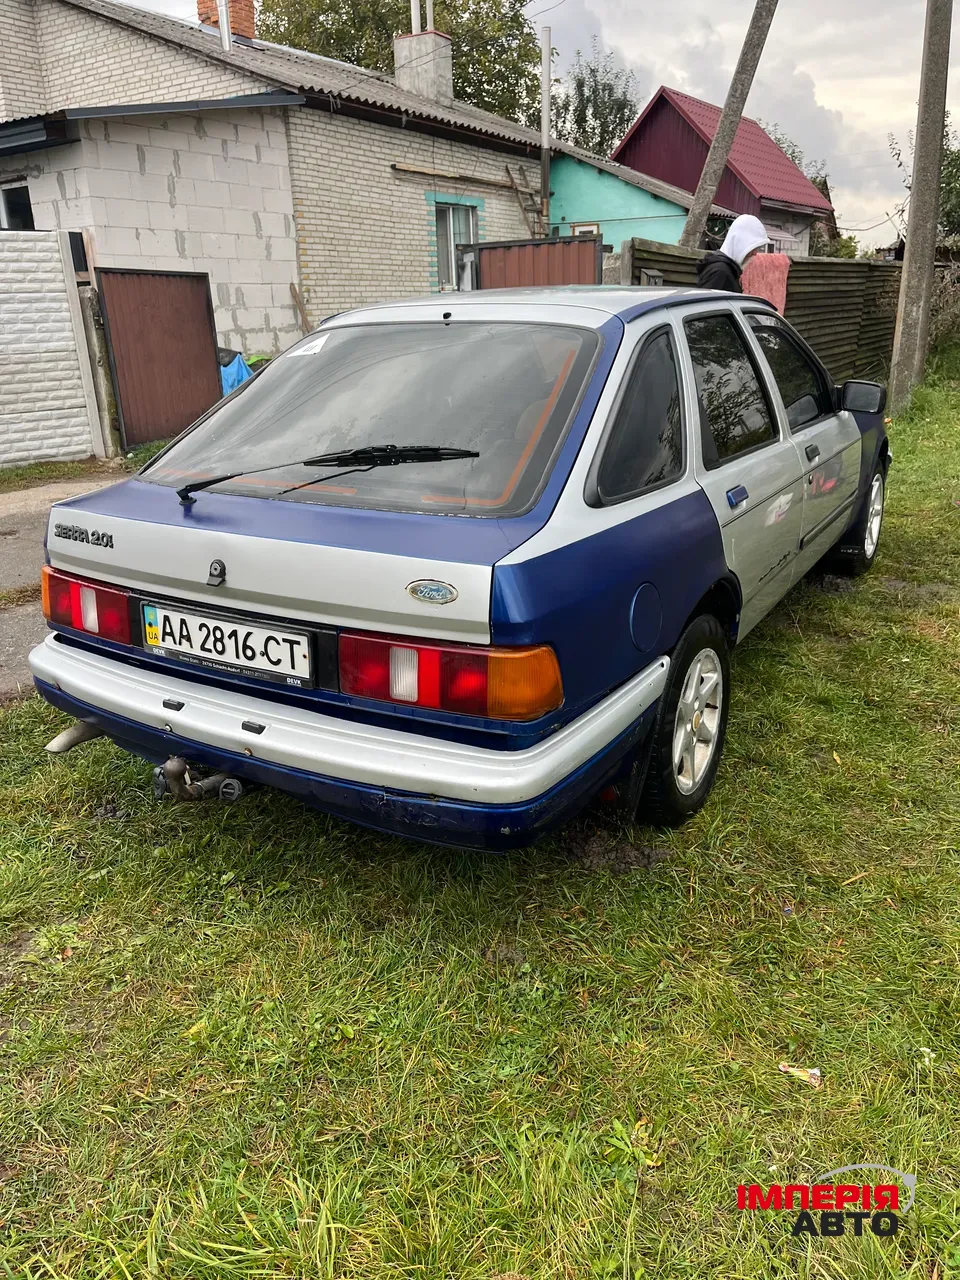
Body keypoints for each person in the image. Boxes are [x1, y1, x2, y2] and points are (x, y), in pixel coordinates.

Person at [695, 214, 770, 293]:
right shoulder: (720, 272)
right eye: (752, 247)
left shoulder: (728, 269)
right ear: (741, 243)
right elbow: (706, 300)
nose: (755, 253)